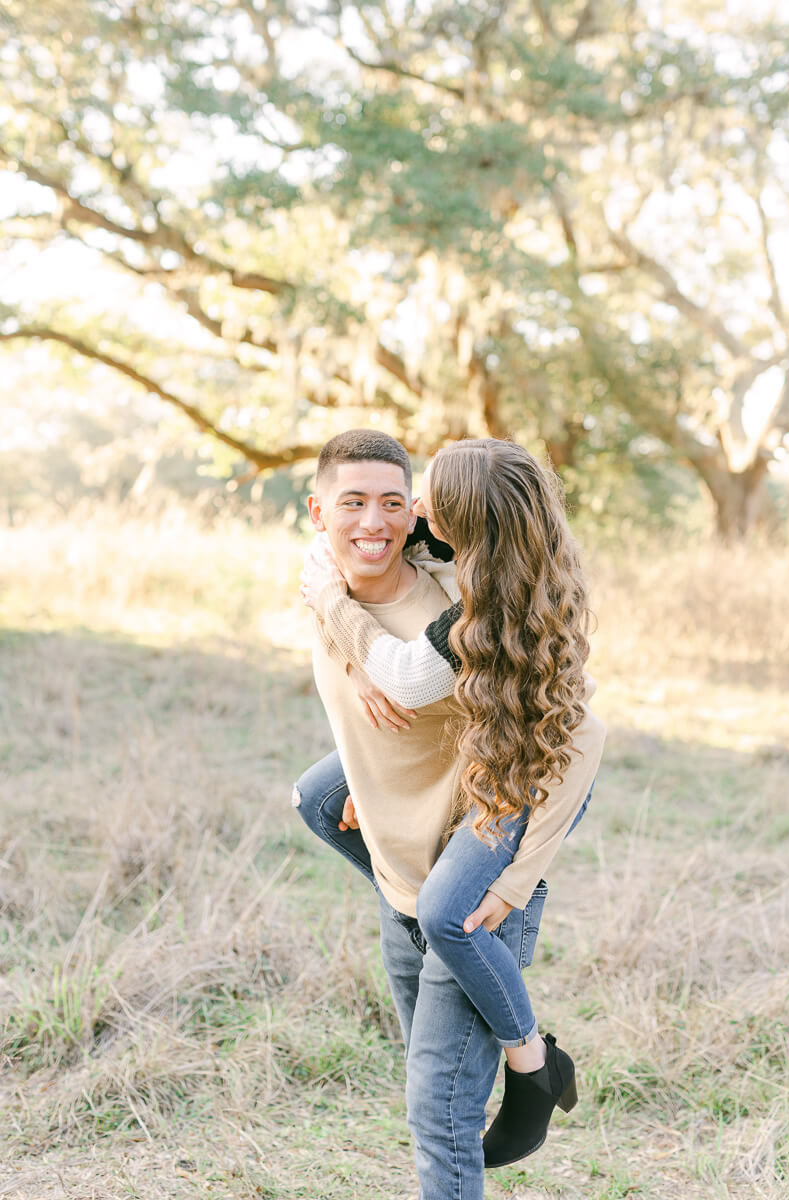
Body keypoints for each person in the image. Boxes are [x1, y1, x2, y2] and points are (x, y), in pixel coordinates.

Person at [292, 430, 605, 1199]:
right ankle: (421, 913)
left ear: (460, 522)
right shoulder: (393, 544)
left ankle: (533, 1064)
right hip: (423, 835)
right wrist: (342, 647)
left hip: (505, 800)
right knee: (320, 796)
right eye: (366, 504)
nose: (404, 511)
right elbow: (345, 548)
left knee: (439, 1099)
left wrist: (520, 875)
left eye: (417, 498)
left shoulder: (476, 608)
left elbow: (576, 736)